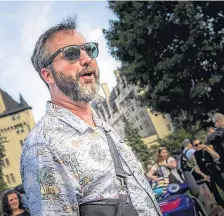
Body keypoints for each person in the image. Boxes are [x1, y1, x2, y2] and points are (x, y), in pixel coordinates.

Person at [20, 16, 161, 216]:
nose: (87, 59)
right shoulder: (43, 145)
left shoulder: (102, 125)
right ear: (48, 75)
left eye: (89, 50)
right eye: (71, 53)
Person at [192, 138, 219, 212]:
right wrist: (204, 176)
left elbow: (217, 157)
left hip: (215, 172)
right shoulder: (193, 155)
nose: (199, 145)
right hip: (206, 176)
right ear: (193, 147)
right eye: (196, 145)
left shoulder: (207, 149)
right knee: (215, 193)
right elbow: (196, 168)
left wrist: (208, 149)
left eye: (200, 143)